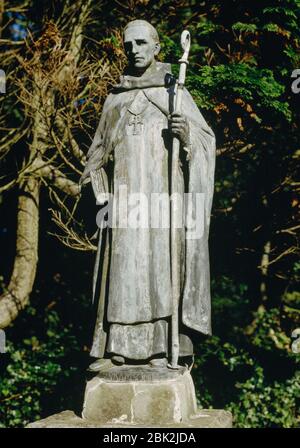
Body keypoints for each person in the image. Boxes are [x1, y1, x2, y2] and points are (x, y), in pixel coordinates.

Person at [80, 20, 216, 371]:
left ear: (157, 47)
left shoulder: (176, 93)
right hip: (124, 205)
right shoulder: (116, 98)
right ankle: (117, 348)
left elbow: (205, 144)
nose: (134, 50)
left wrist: (186, 135)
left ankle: (163, 347)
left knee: (160, 270)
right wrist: (101, 193)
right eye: (128, 45)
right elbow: (95, 157)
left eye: (141, 43)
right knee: (124, 271)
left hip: (162, 203)